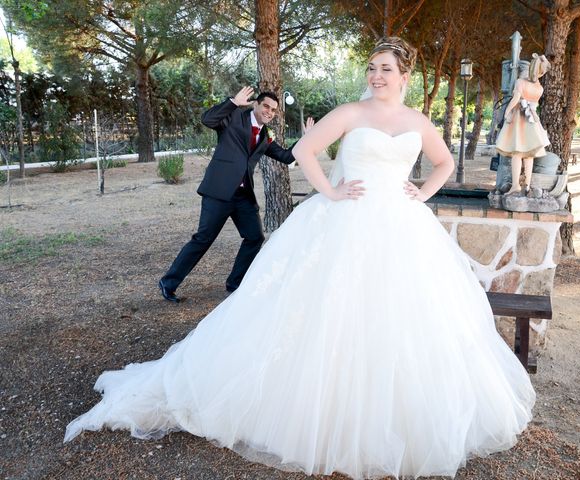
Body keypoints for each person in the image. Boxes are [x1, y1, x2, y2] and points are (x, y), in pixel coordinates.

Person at [65, 37, 535, 479]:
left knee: (396, 316)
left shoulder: (418, 122)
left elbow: (445, 163)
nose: (376, 76)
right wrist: (329, 190)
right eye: (372, 68)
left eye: (386, 69)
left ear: (404, 75)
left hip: (400, 227)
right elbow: (305, 149)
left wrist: (423, 192)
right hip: (345, 220)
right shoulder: (351, 111)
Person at [158, 89, 313, 301]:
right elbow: (207, 119)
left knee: (254, 237)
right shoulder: (233, 116)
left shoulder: (266, 135)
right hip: (219, 191)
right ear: (256, 105)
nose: (269, 112)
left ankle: (235, 282)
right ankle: (169, 282)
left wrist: (307, 138)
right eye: (266, 106)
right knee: (203, 239)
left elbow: (286, 157)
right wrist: (232, 102)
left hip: (243, 195)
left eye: (274, 110)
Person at [495, 53, 551, 195]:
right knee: (529, 154)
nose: (542, 74)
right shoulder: (539, 88)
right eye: (542, 72)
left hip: (519, 118)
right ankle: (527, 184)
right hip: (532, 119)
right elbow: (534, 104)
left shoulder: (520, 82)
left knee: (517, 153)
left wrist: (507, 111)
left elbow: (515, 100)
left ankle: (515, 185)